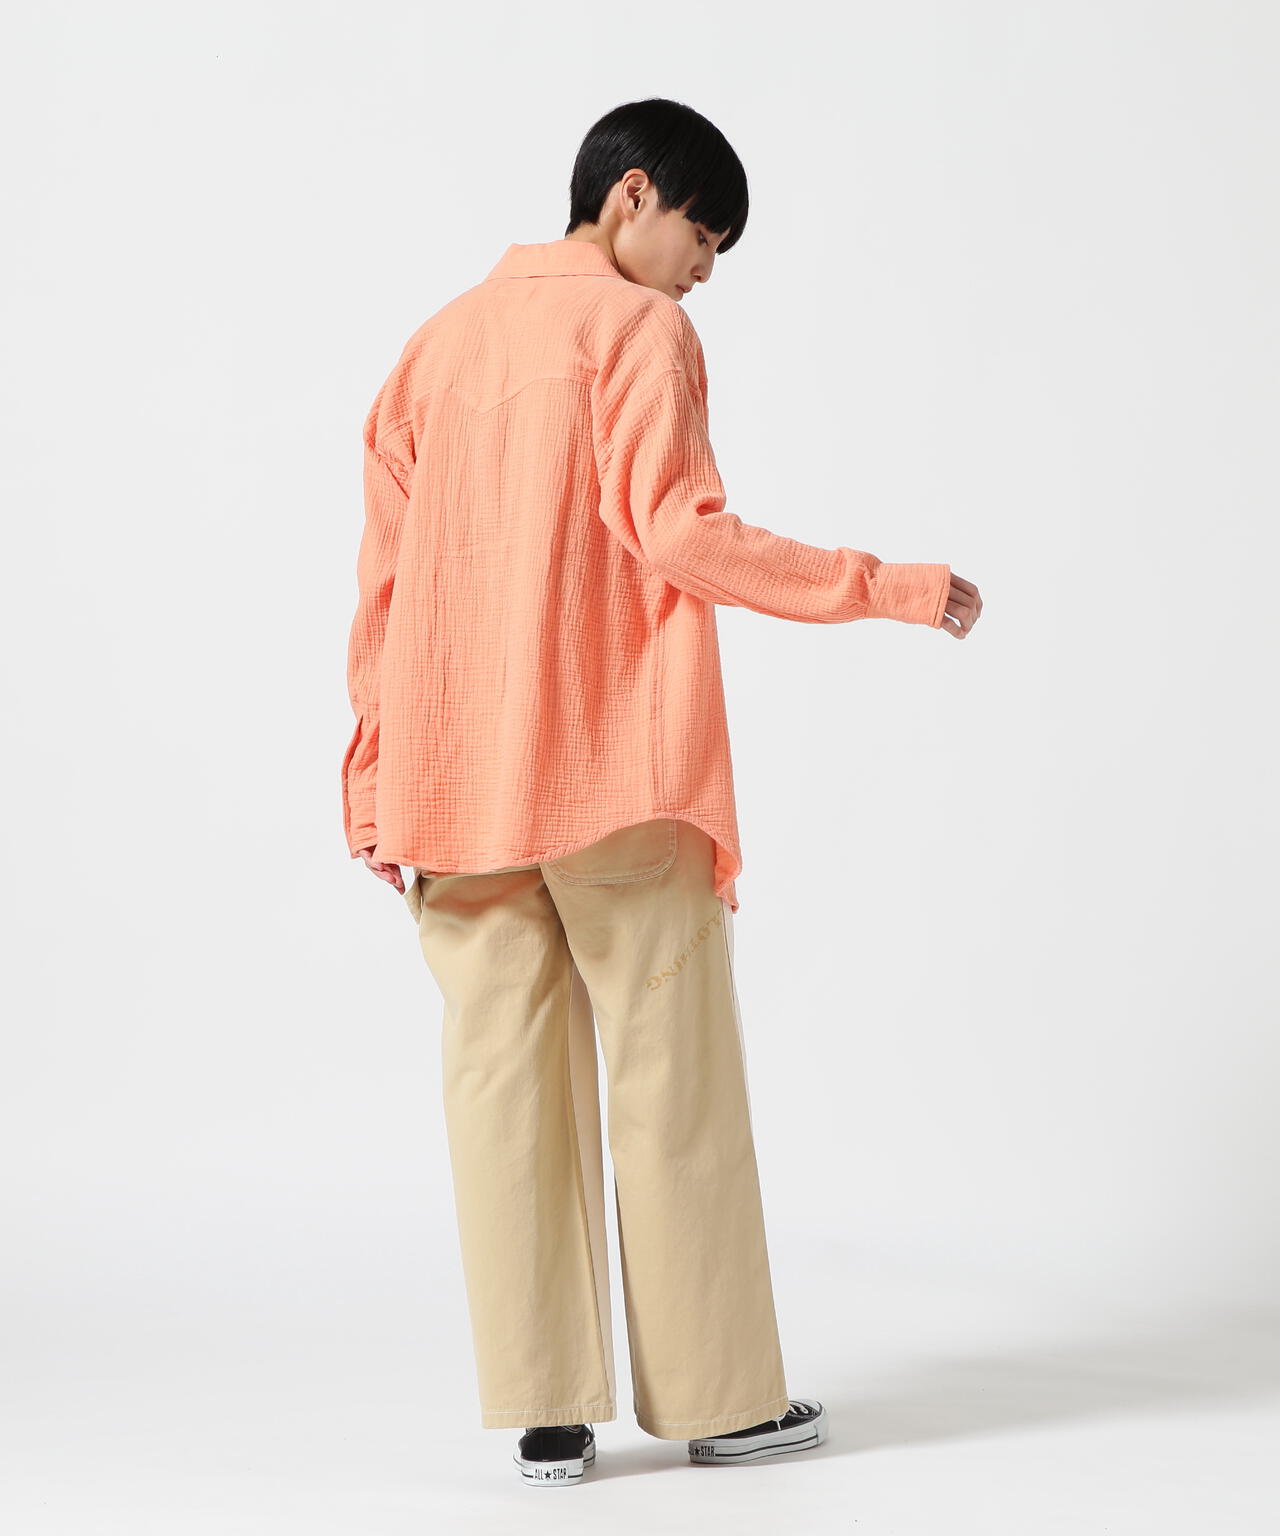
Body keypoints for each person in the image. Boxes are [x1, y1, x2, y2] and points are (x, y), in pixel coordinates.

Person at [341, 95, 982, 1486]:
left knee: (500, 1089)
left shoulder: (433, 347)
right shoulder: (638, 331)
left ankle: (547, 1415)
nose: (705, 269)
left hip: (454, 784)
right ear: (632, 194)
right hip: (613, 769)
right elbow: (680, 536)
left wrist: (371, 769)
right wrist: (887, 587)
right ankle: (719, 1401)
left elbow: (382, 584)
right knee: (671, 1078)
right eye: (704, 234)